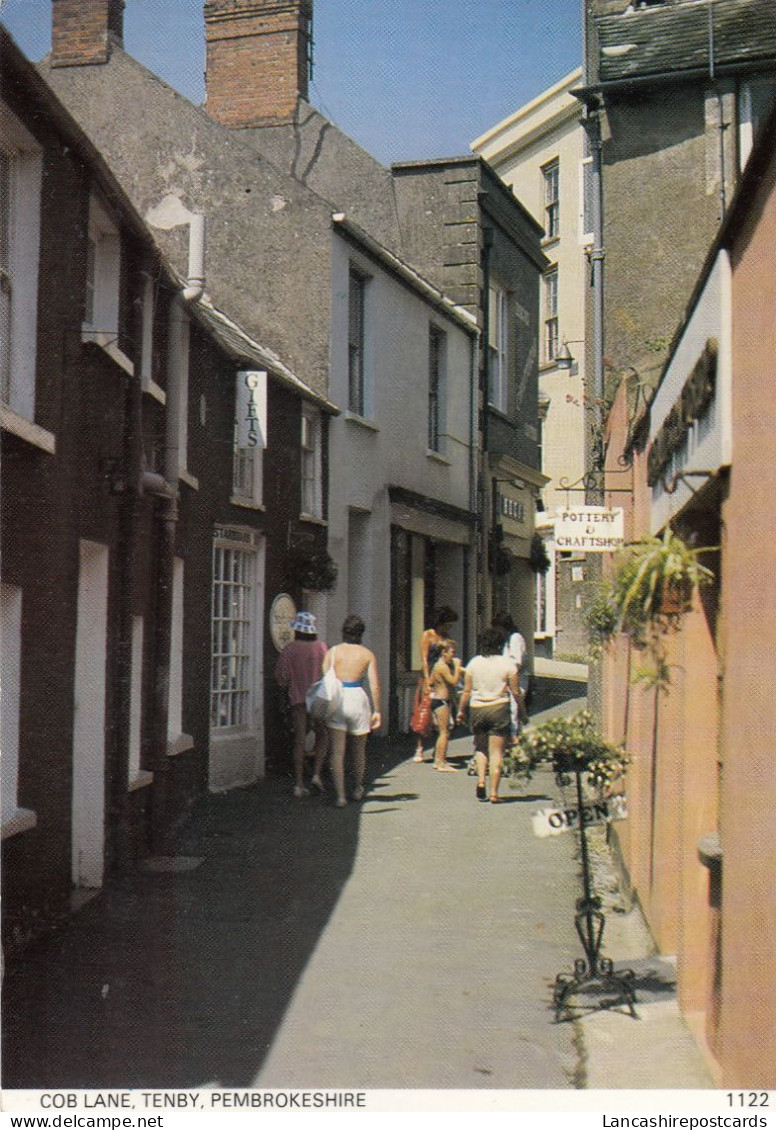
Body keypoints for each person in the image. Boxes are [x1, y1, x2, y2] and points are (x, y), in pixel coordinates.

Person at [323, 614, 381, 807]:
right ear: (361, 633)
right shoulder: (366, 654)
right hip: (357, 696)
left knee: (337, 751)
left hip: (338, 697)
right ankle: (357, 787)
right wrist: (377, 710)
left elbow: (325, 678)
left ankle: (340, 796)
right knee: (359, 749)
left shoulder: (333, 652)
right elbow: (374, 685)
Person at [456, 627, 520, 804]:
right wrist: (522, 711)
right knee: (497, 753)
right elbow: (515, 692)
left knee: (481, 748)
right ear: (501, 645)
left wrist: (461, 711)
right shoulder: (508, 665)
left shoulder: (474, 663)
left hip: (478, 709)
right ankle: (494, 793)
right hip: (499, 709)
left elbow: (467, 691)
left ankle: (481, 781)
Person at [274, 611, 328, 798]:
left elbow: (281, 678)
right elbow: (328, 675)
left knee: (299, 740)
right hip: (318, 700)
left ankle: (298, 784)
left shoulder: (289, 649)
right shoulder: (322, 648)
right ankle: (316, 774)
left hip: (297, 699)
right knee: (322, 735)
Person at [413, 605, 459, 762]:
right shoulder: (428, 635)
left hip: (442, 675)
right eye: (447, 623)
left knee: (443, 712)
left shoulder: (445, 637)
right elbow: (424, 659)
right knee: (424, 709)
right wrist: (427, 679)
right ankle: (419, 747)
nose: (448, 627)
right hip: (430, 673)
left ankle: (437, 749)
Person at [491, 610, 529, 738]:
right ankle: (512, 738)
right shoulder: (506, 640)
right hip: (506, 678)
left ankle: (514, 738)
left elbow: (516, 663)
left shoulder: (515, 638)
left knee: (513, 709)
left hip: (516, 679)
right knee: (507, 710)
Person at [428, 639, 463, 772]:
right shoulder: (442, 666)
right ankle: (441, 762)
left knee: (443, 732)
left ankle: (439, 760)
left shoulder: (438, 666)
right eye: (451, 652)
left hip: (438, 700)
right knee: (444, 732)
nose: (453, 656)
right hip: (441, 701)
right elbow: (454, 681)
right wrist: (458, 667)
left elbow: (430, 682)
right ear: (444, 652)